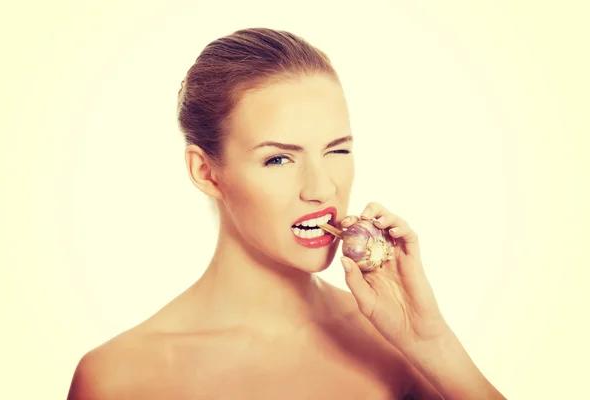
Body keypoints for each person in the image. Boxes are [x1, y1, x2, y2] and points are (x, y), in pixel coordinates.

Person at [66, 28, 506, 400]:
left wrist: (433, 345)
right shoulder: (118, 378)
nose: (322, 188)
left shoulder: (395, 343)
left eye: (337, 150)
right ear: (206, 172)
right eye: (279, 159)